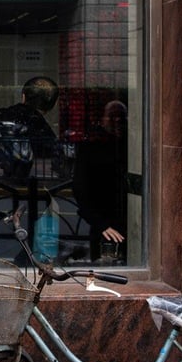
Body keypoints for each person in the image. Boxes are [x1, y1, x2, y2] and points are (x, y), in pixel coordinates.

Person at [72, 100, 129, 261]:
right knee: (103, 263)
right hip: (103, 219)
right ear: (103, 119)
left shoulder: (131, 144)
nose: (117, 121)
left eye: (121, 117)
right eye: (112, 117)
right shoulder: (91, 146)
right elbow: (80, 188)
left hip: (129, 219)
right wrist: (100, 223)